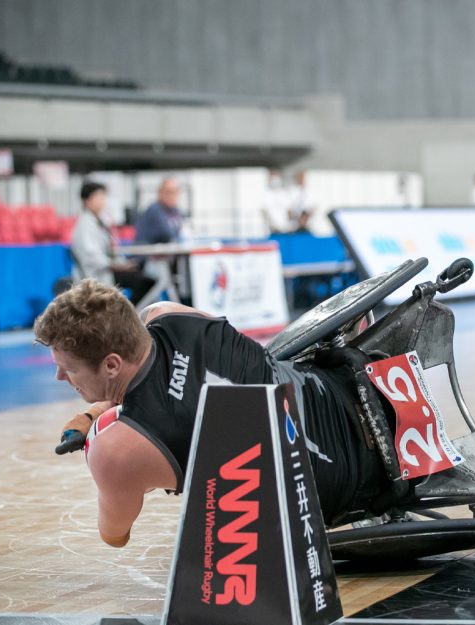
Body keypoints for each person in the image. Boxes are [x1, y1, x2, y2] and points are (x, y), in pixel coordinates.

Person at [35, 280, 390, 547]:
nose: (60, 377)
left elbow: (115, 536)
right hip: (355, 391)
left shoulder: (117, 449)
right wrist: (97, 409)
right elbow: (184, 379)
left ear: (111, 365)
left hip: (347, 488)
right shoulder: (169, 314)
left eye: (69, 368)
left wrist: (101, 443)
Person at [70, 181, 156, 305]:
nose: (102, 201)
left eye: (103, 196)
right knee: (144, 282)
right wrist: (116, 265)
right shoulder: (84, 226)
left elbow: (112, 248)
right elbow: (92, 259)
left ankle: (131, 311)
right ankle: (132, 312)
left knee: (144, 276)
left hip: (108, 269)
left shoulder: (101, 221)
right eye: (98, 197)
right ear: (86, 201)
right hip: (98, 273)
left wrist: (122, 263)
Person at [133, 177, 185, 244]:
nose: (172, 196)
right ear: (160, 192)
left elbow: (180, 231)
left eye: (175, 192)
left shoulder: (174, 210)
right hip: (145, 249)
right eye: (168, 192)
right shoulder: (154, 210)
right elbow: (167, 234)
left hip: (164, 248)